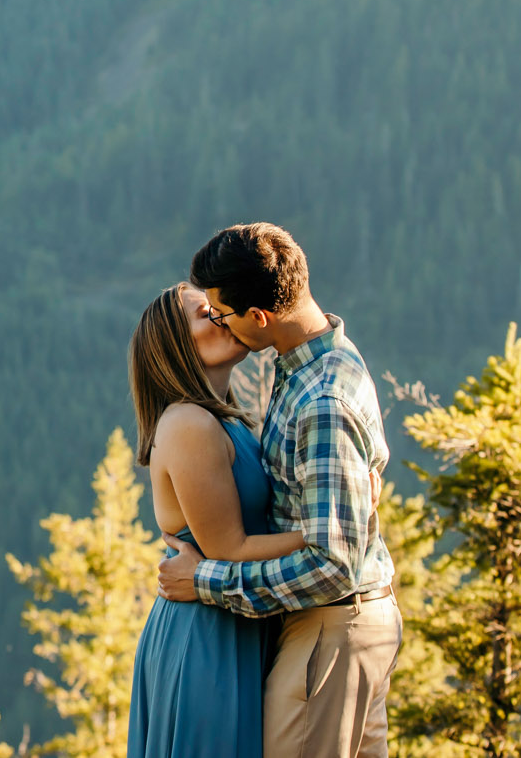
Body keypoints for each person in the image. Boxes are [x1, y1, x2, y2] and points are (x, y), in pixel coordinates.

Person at [155, 223, 399, 758]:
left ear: (258, 318)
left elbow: (332, 563)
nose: (218, 322)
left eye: (222, 314)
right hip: (343, 624)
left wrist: (204, 580)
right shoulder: (313, 368)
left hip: (330, 623)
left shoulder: (322, 399)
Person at [126, 281, 304, 758]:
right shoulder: (189, 424)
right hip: (205, 641)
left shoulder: (225, 422)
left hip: (233, 622)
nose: (224, 315)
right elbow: (232, 549)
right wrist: (328, 533)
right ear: (177, 348)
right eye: (207, 312)